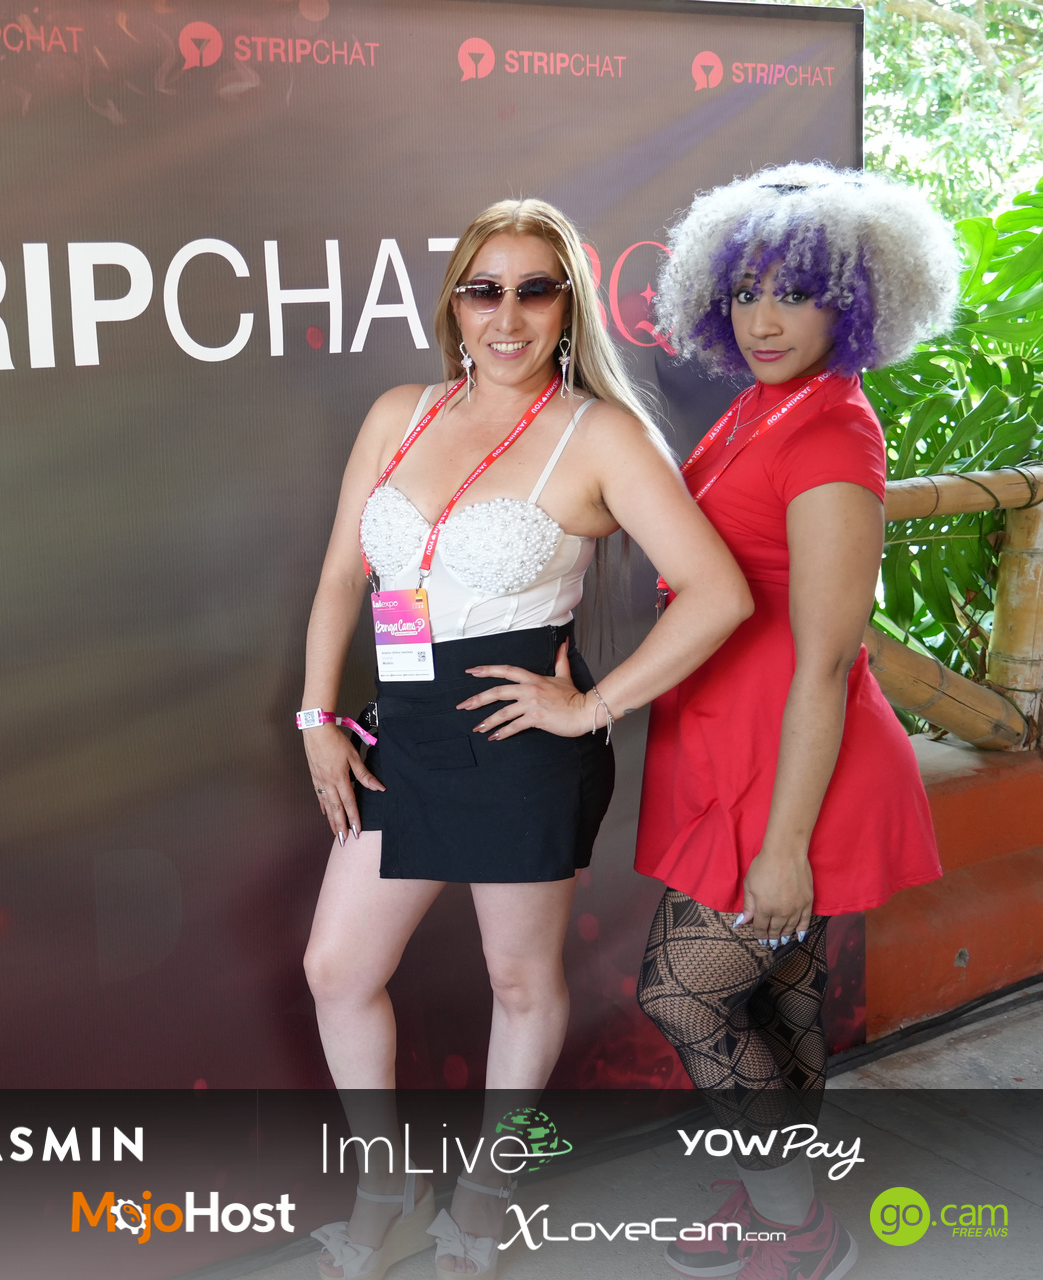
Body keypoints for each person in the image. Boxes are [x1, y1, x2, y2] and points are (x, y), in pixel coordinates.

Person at [298, 198, 753, 1277]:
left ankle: (484, 1195)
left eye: (535, 290)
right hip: (404, 731)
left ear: (568, 306)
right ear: (455, 303)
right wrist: (316, 718)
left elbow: (720, 592)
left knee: (519, 980)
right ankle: (388, 1189)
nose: (507, 316)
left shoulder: (600, 435)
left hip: (520, 744)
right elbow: (340, 578)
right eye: (485, 289)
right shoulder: (400, 412)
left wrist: (591, 707)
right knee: (336, 966)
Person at [640, 162, 954, 1280]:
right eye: (746, 291)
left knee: (683, 991)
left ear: (855, 303)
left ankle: (796, 1223)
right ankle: (781, 1188)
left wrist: (784, 843)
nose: (763, 319)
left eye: (798, 293)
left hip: (794, 761)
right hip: (736, 733)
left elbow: (826, 659)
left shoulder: (831, 437)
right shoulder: (769, 402)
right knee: (780, 989)